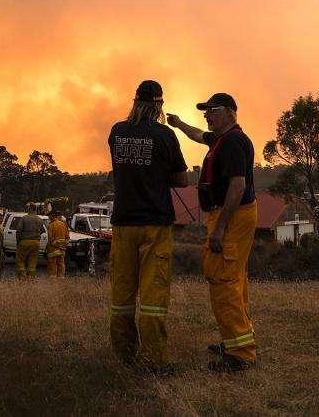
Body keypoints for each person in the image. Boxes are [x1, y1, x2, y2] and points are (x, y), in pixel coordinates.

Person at [167, 92, 258, 372]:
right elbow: (198, 135)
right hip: (233, 216)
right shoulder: (221, 139)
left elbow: (238, 186)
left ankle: (240, 355)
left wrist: (219, 228)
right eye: (205, 111)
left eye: (213, 110)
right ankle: (235, 341)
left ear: (231, 112)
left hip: (230, 217)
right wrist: (179, 124)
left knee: (223, 280)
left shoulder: (232, 142)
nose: (207, 115)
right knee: (235, 278)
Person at [108, 80, 188, 375]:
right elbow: (181, 180)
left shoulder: (116, 132)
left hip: (123, 223)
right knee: (153, 297)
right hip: (155, 223)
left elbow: (124, 169)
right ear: (159, 105)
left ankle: (124, 356)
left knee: (122, 296)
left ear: (135, 101)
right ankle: (154, 362)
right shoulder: (165, 135)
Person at [15, 204, 44, 278]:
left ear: (29, 209)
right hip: (36, 243)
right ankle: (31, 278)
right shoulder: (39, 219)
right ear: (35, 209)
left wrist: (18, 241)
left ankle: (22, 277)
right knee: (33, 260)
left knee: (21, 260)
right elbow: (42, 230)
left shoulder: (24, 218)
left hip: (24, 241)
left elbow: (18, 230)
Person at [46, 211, 70, 277]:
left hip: (53, 249)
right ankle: (61, 278)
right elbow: (67, 237)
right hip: (62, 249)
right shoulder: (63, 224)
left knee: (53, 264)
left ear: (52, 216)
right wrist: (63, 246)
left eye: (49, 216)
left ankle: (53, 279)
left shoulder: (51, 225)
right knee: (61, 264)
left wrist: (51, 246)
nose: (48, 217)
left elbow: (50, 239)